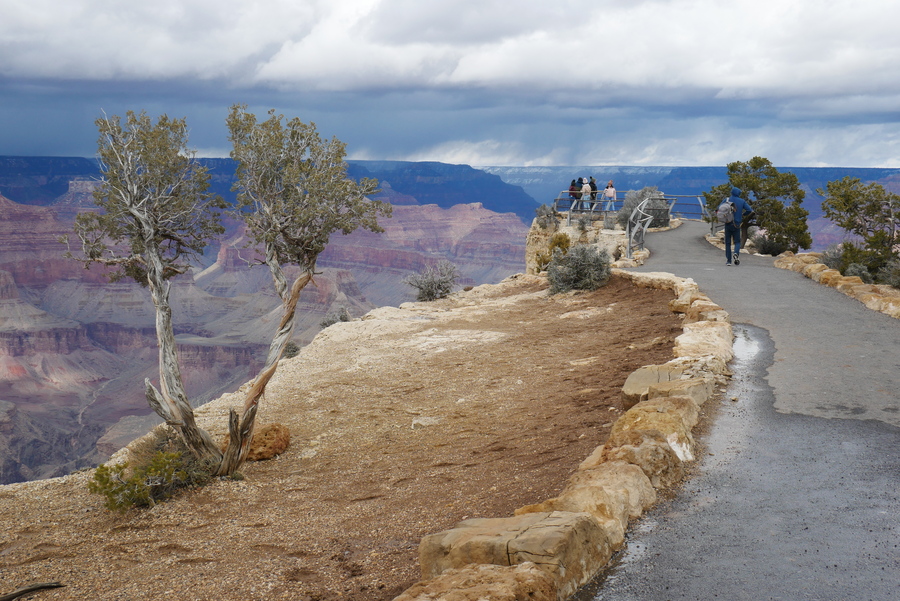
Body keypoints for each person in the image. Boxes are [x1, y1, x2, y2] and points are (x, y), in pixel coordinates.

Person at [719, 186, 753, 266]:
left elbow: (719, 209)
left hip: (728, 223)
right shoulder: (742, 201)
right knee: (737, 241)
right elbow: (749, 210)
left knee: (727, 242)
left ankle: (728, 261)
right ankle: (736, 253)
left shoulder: (726, 200)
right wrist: (742, 215)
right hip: (737, 224)